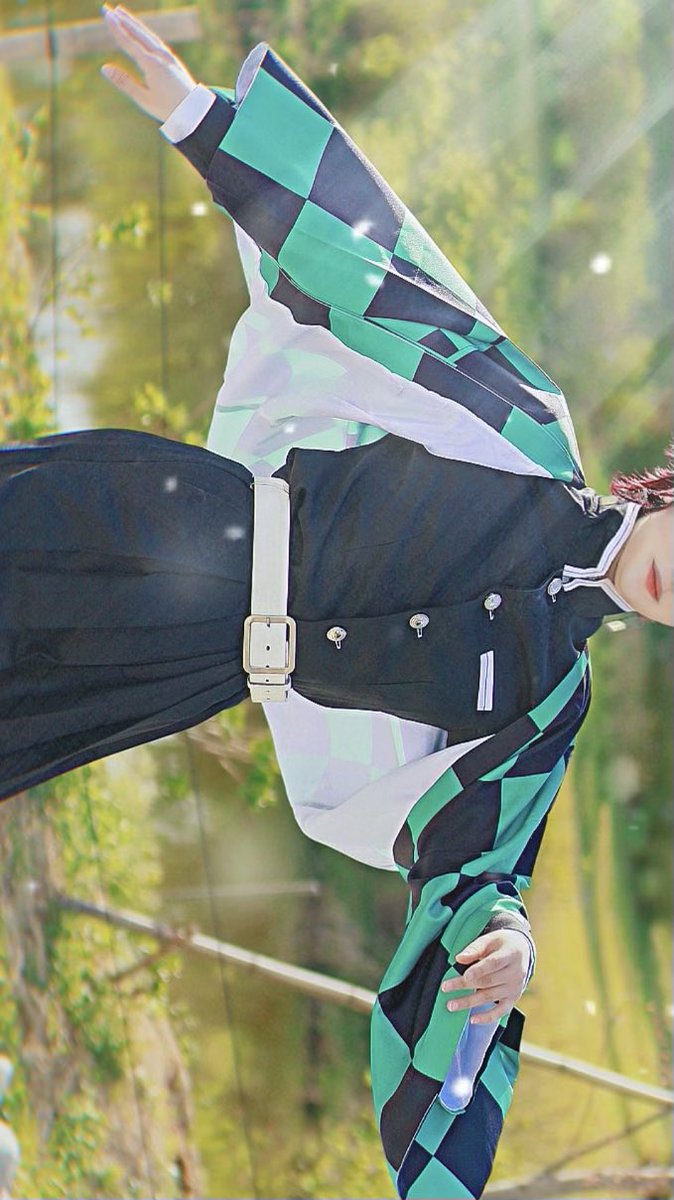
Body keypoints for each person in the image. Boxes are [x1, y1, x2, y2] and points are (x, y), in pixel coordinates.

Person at [1, 7, 670, 1196]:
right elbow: (367, 278)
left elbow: (468, 865)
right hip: (178, 520)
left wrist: (505, 941)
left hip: (185, 671)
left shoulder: (547, 705)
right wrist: (199, 121)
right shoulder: (524, 431)